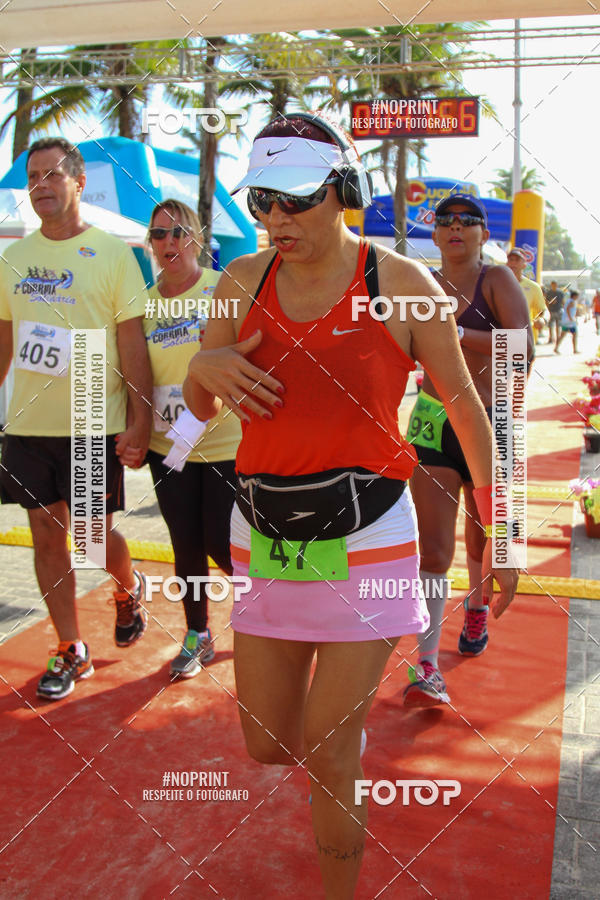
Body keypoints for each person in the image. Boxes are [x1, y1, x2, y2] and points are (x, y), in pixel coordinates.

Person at [183, 114, 519, 899]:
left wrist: (503, 532)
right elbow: (193, 413)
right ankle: (343, 726)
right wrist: (205, 361)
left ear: (343, 192)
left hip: (371, 536)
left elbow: (467, 411)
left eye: (293, 200)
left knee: (331, 754)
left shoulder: (401, 283)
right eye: (262, 201)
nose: (274, 219)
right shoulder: (240, 281)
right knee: (269, 745)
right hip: (264, 534)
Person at [0, 138, 152, 701]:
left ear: (78, 182)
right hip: (28, 421)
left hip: (93, 408)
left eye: (52, 175)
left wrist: (140, 422)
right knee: (45, 534)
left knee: (90, 535)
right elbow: (3, 342)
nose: (41, 186)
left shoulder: (112, 253)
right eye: (33, 177)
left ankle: (128, 586)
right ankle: (71, 647)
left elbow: (132, 342)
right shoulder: (13, 257)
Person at [404, 194, 532, 707]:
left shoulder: (497, 280)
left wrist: (454, 332)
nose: (456, 228)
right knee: (432, 550)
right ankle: (427, 663)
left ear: (483, 233)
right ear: (433, 235)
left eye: (468, 221)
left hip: (494, 422)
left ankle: (475, 603)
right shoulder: (420, 282)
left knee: (483, 543)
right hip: (434, 421)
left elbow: (522, 350)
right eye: (446, 222)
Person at [139, 199, 240, 676]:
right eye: (159, 235)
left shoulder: (223, 289)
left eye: (178, 232)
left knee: (224, 544)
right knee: (185, 545)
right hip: (170, 448)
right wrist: (134, 429)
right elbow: (133, 372)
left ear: (197, 237)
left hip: (227, 446)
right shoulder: (140, 301)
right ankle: (197, 633)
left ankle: (269, 610)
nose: (169, 243)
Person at [506, 247, 546, 344]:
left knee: (517, 358)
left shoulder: (533, 287)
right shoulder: (497, 284)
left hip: (524, 337)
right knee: (502, 359)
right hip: (501, 336)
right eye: (511, 260)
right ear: (507, 263)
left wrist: (542, 320)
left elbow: (543, 311)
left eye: (517, 260)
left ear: (524, 265)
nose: (513, 263)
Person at [555, 290, 579, 354]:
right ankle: (575, 350)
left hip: (566, 321)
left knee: (563, 335)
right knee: (574, 334)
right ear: (574, 296)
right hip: (570, 322)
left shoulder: (568, 301)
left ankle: (556, 348)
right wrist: (571, 318)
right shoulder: (572, 302)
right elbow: (568, 309)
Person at [545, 280, 564, 345]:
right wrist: (547, 309)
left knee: (558, 325)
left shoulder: (560, 292)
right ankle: (551, 338)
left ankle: (557, 338)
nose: (553, 286)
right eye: (552, 285)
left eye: (554, 285)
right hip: (551, 310)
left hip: (558, 310)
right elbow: (546, 301)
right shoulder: (549, 292)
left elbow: (563, 301)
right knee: (550, 326)